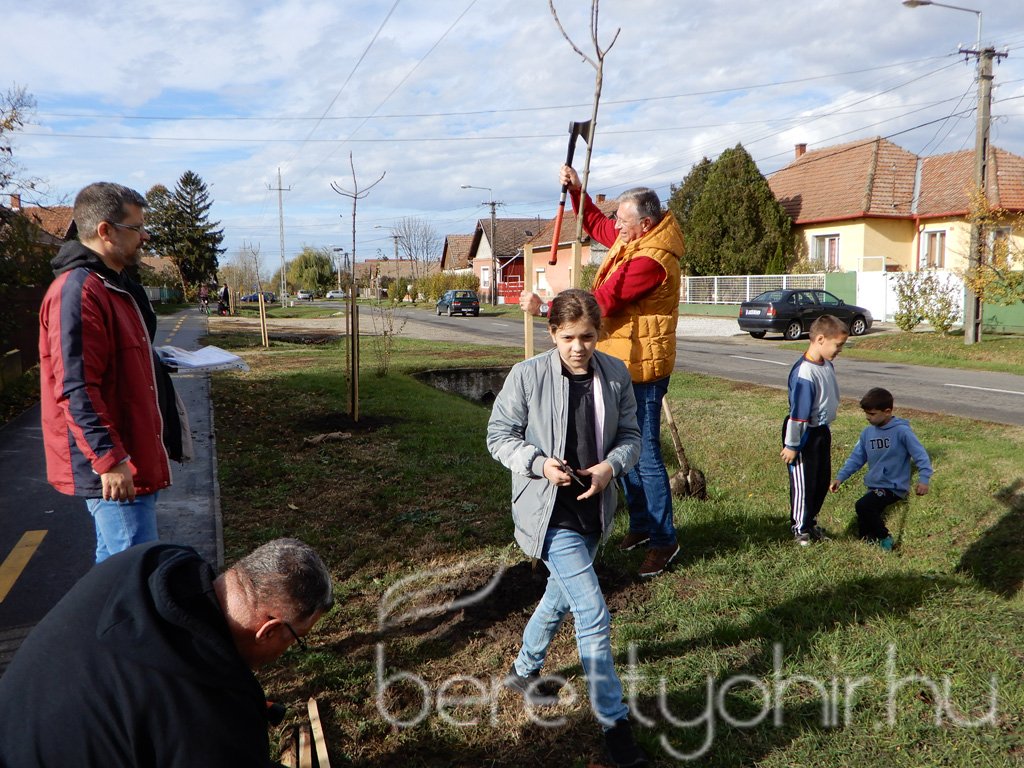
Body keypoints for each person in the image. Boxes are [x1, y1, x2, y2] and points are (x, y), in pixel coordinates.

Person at [487, 289, 647, 767]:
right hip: (547, 512)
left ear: (599, 334)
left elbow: (632, 436)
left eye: (588, 337)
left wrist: (610, 468)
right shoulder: (527, 375)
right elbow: (498, 435)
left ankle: (523, 670)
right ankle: (615, 727)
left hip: (593, 509)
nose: (579, 348)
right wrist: (538, 464)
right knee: (592, 611)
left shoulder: (615, 374)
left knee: (560, 596)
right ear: (552, 333)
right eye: (569, 338)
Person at [0, 538, 333, 767]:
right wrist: (237, 718)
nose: (290, 650)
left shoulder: (149, 561)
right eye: (296, 639)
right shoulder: (211, 722)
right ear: (269, 631)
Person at [520, 164, 684, 578]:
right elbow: (596, 225)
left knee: (644, 453)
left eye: (623, 221)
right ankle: (642, 525)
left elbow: (601, 302)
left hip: (642, 368)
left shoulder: (651, 260)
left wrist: (548, 308)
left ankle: (664, 540)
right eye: (618, 219)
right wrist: (579, 190)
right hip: (620, 363)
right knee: (617, 447)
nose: (617, 226)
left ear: (645, 224)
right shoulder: (634, 239)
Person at [39, 182, 178, 563]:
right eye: (136, 228)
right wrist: (109, 459)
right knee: (134, 570)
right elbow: (76, 387)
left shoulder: (113, 285)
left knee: (113, 568)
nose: (145, 236)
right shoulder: (79, 292)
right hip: (117, 465)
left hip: (130, 456)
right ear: (106, 230)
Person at [829, 387, 933, 551]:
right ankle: (866, 543)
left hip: (893, 486)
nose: (867, 417)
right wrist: (840, 477)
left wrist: (924, 479)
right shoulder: (867, 433)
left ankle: (885, 537)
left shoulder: (902, 431)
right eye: (866, 413)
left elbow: (920, 455)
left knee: (863, 506)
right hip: (875, 485)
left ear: (887, 411)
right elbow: (856, 458)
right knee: (865, 518)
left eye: (872, 414)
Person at [781, 314, 849, 546]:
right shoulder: (805, 372)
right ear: (820, 339)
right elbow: (799, 413)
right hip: (803, 435)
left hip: (821, 431)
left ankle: (810, 522)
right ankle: (800, 528)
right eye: (837, 345)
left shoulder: (827, 365)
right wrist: (792, 445)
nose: (839, 350)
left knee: (820, 480)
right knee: (805, 482)